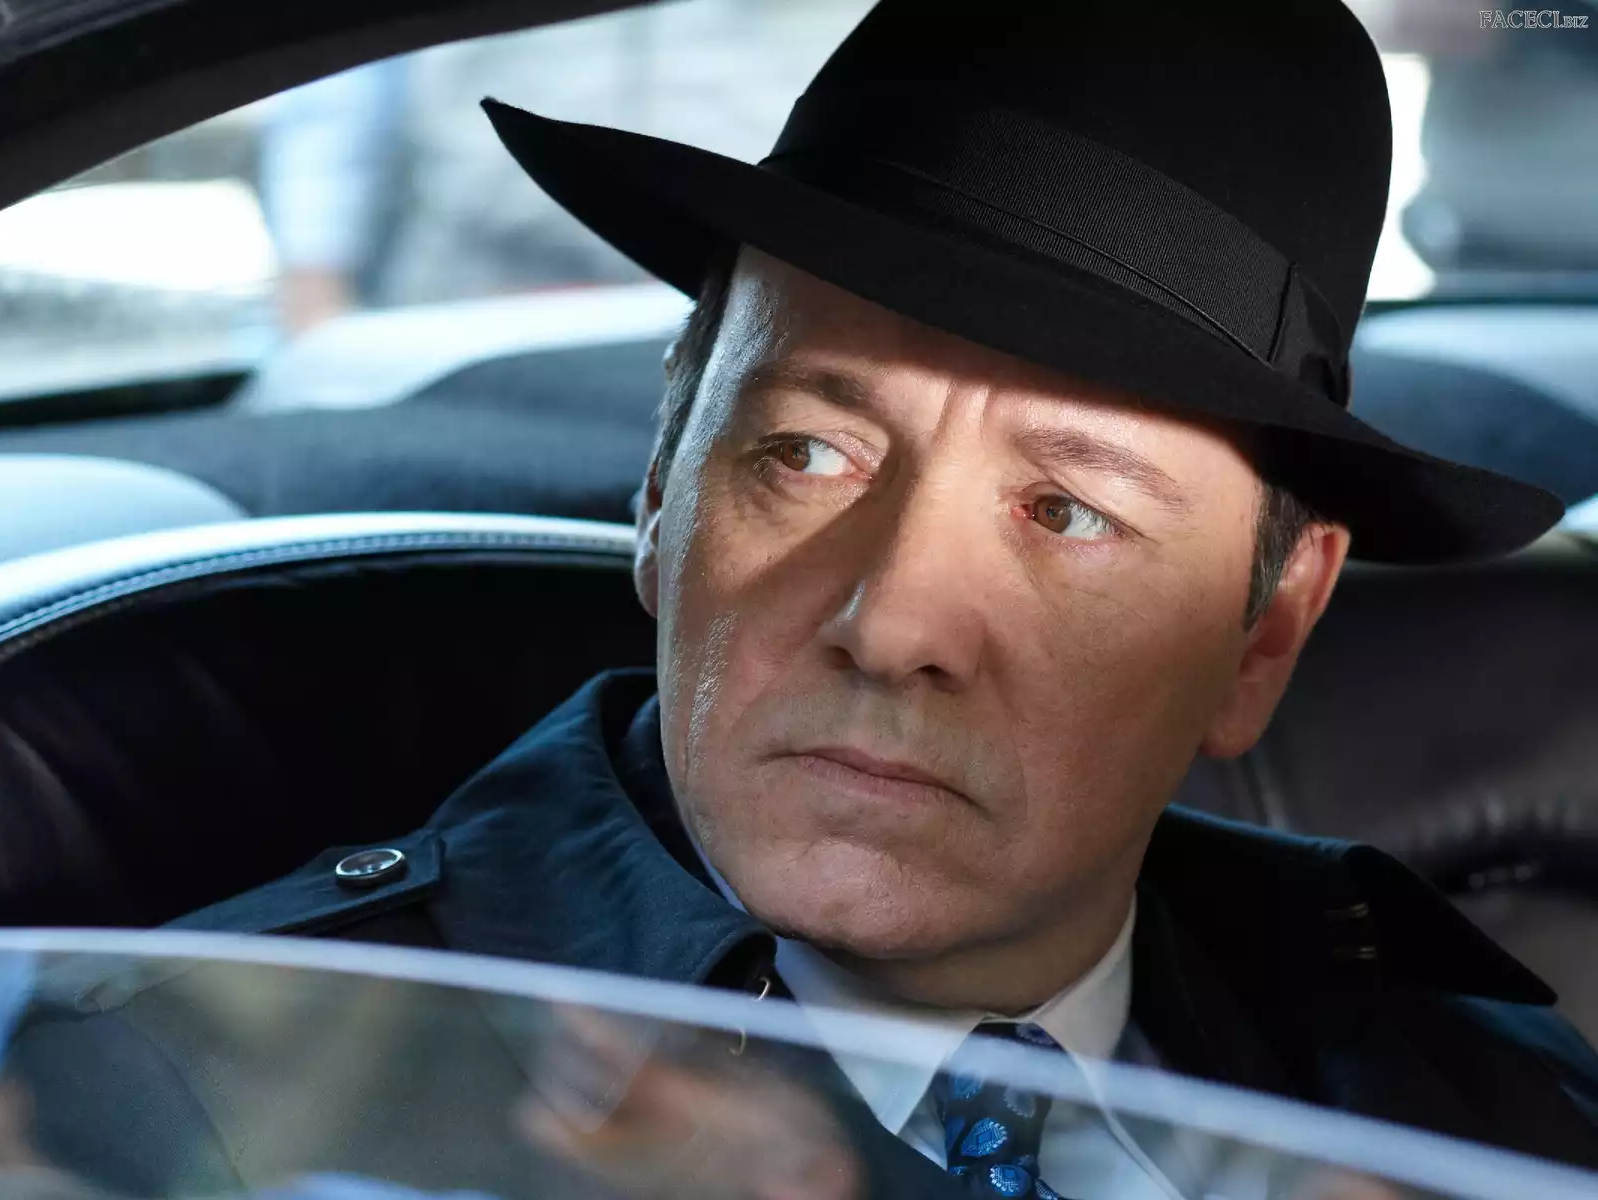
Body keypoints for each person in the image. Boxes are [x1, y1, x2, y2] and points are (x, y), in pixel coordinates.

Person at [178, 0, 1598, 1195]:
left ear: (1265, 630)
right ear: (665, 487)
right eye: (805, 455)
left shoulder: (1474, 1110)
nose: (893, 623)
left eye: (1069, 513)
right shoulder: (206, 1093)